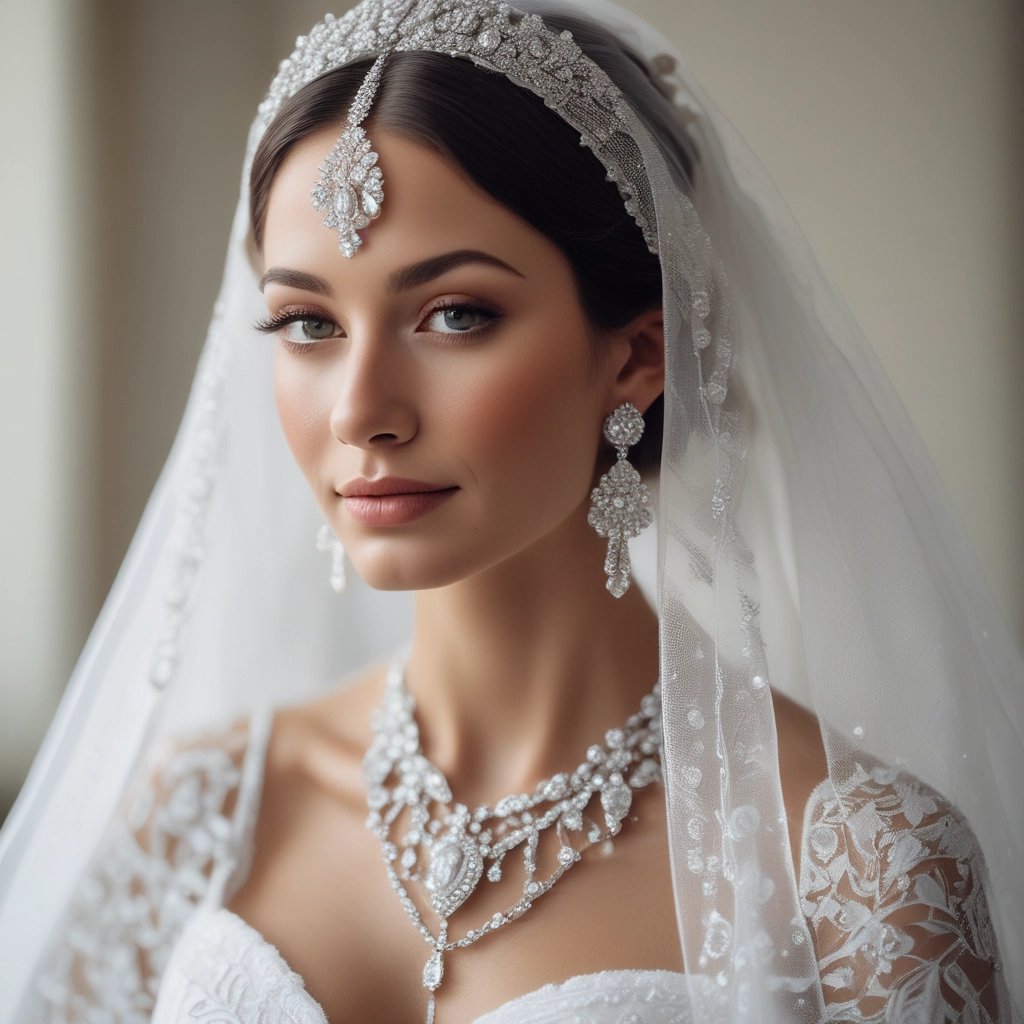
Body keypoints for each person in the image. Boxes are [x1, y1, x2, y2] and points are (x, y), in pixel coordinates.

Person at [0, 1, 1020, 1022]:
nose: (359, 409)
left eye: (455, 314)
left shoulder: (862, 875)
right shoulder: (199, 814)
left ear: (635, 357)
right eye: (307, 321)